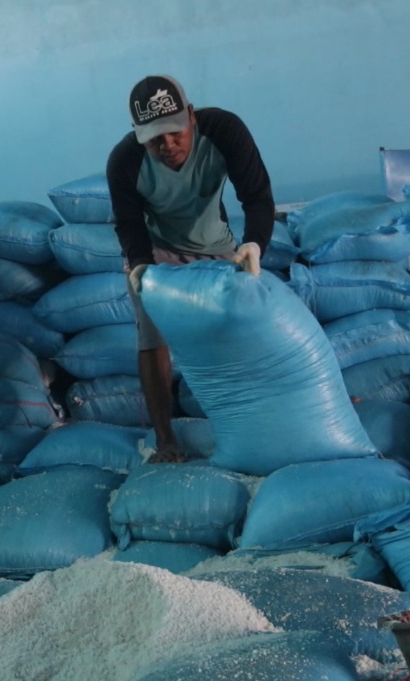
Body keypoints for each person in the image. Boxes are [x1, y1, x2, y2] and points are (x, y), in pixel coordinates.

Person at [107, 74, 275, 463]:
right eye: (154, 139)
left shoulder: (225, 130)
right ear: (138, 136)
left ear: (191, 117)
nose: (167, 145)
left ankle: (262, 419)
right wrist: (140, 268)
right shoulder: (124, 162)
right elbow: (129, 226)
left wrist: (254, 244)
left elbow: (257, 196)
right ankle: (166, 440)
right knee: (152, 336)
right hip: (156, 248)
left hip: (217, 245)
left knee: (247, 324)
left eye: (175, 133)